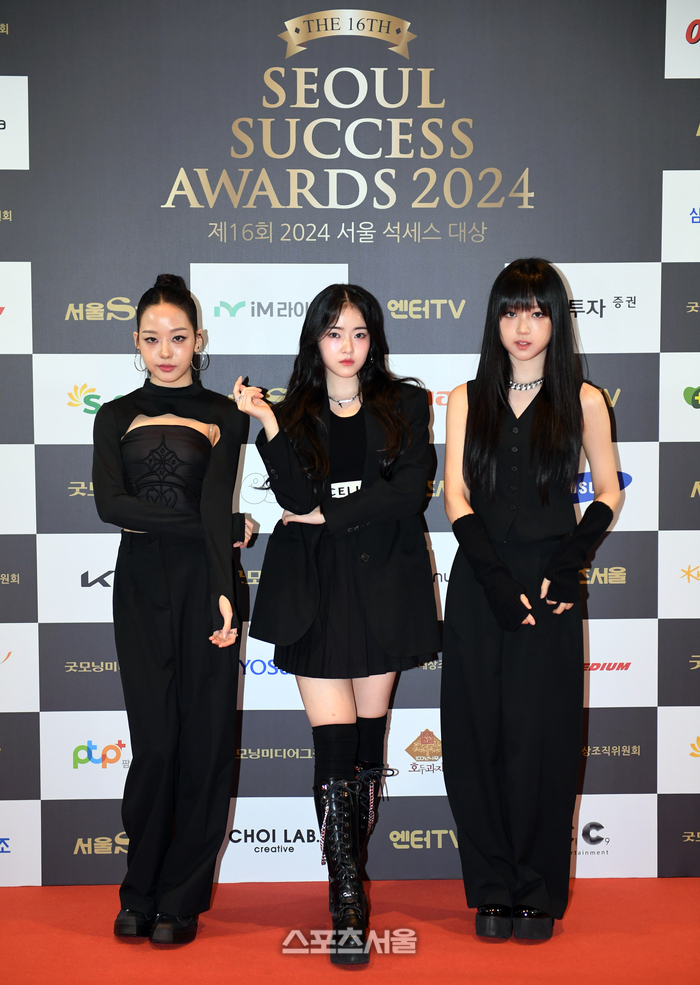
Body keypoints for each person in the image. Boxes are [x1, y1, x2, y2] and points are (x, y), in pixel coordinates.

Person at [234, 283, 440, 964]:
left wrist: (330, 512)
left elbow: (409, 492)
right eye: (333, 333)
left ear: (373, 339)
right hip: (314, 587)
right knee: (333, 744)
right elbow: (293, 495)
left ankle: (350, 872)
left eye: (358, 333)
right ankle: (346, 896)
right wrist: (268, 425)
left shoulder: (406, 403)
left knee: (367, 746)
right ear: (314, 340)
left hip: (384, 585)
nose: (346, 346)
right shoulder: (291, 411)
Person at [440, 258, 620, 942]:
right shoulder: (466, 397)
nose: (524, 326)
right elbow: (455, 494)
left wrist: (572, 562)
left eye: (538, 312)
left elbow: (609, 490)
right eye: (512, 311)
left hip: (551, 589)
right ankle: (491, 889)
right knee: (475, 735)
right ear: (495, 319)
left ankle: (536, 890)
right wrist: (490, 575)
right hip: (479, 583)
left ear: (556, 321)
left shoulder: (584, 399)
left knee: (543, 738)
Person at [93, 274, 251, 945]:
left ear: (199, 340)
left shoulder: (225, 413)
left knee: (205, 740)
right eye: (153, 339)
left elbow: (213, 504)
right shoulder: (114, 414)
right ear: (136, 341)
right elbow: (111, 506)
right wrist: (223, 526)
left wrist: (225, 582)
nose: (166, 351)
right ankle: (141, 889)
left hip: (205, 583)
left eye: (179, 338)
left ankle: (181, 898)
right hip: (139, 586)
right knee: (156, 743)